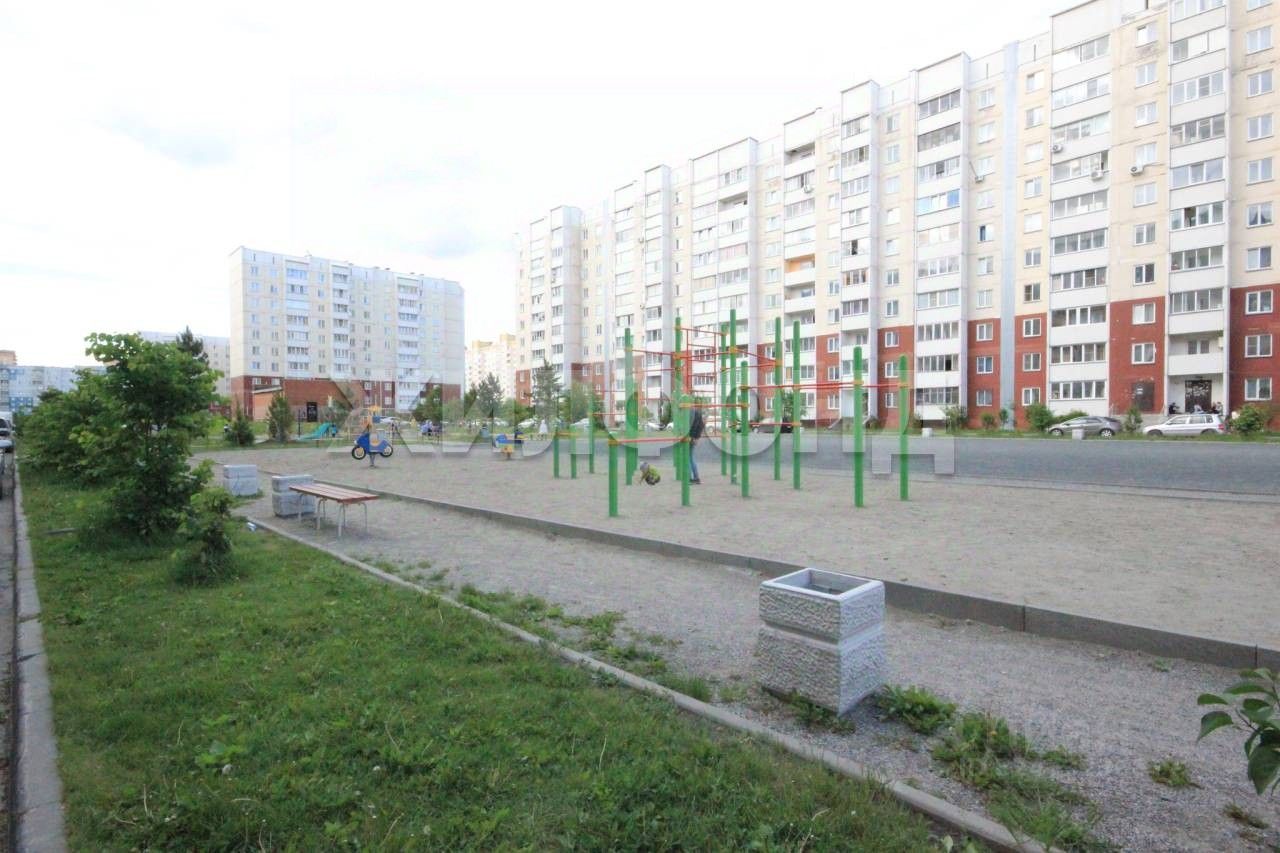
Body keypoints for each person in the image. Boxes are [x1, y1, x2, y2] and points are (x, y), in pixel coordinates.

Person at [687, 406, 705, 484]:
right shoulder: (697, 411)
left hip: (689, 437)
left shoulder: (688, 412)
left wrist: (692, 437)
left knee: (688, 457)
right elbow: (701, 425)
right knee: (691, 457)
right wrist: (697, 437)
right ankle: (696, 477)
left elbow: (693, 426)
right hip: (693, 437)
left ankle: (690, 478)